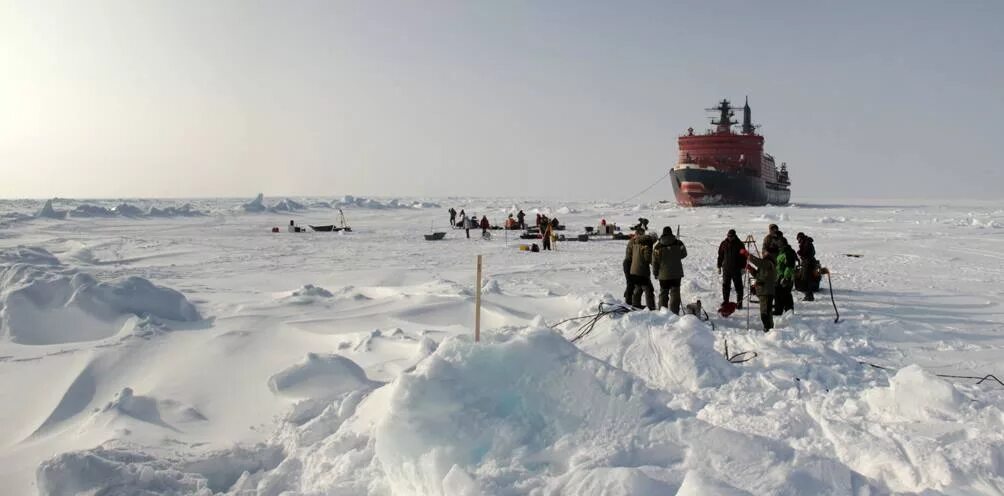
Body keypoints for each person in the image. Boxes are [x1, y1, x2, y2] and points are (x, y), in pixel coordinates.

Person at [652, 227, 687, 314]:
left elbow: (654, 262)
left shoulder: (657, 246)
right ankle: (674, 313)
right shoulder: (678, 243)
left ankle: (662, 313)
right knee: (675, 294)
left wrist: (655, 273)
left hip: (663, 275)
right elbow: (684, 254)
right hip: (676, 274)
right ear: (671, 233)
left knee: (663, 294)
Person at [747, 248, 778, 332]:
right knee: (766, 312)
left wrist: (749, 256)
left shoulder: (769, 262)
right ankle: (769, 329)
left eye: (764, 252)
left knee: (765, 313)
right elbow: (759, 276)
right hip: (763, 291)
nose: (763, 253)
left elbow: (759, 263)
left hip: (766, 291)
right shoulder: (766, 264)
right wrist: (751, 270)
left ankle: (768, 329)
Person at [626, 230, 656, 310]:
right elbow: (647, 258)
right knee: (648, 289)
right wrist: (655, 262)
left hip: (633, 269)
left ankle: (635, 304)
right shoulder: (647, 244)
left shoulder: (637, 242)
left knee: (638, 287)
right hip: (642, 270)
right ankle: (651, 307)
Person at [717, 229, 745, 309]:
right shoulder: (724, 243)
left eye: (731, 236)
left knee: (738, 287)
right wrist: (719, 266)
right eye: (728, 236)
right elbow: (720, 255)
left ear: (734, 236)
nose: (729, 237)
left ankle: (739, 303)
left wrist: (743, 267)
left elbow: (744, 257)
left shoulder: (739, 244)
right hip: (726, 269)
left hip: (736, 269)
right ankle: (726, 301)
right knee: (725, 286)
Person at [774, 237, 797, 315]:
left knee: (785, 294)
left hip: (786, 277)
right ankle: (779, 310)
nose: (777, 245)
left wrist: (785, 277)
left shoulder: (787, 252)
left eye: (778, 244)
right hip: (780, 275)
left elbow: (790, 266)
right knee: (778, 293)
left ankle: (788, 310)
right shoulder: (782, 252)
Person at [796, 232, 818, 301]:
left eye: (798, 239)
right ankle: (808, 295)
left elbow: (806, 253)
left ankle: (809, 296)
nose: (798, 241)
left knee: (806, 280)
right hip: (808, 263)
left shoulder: (806, 243)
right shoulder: (807, 242)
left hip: (808, 264)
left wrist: (800, 252)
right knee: (807, 280)